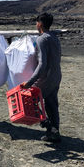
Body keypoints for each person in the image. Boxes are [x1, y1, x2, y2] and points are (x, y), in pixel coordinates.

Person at [21, 13, 62, 143]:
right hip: (56, 76)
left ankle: (48, 126)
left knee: (28, 100)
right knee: (51, 104)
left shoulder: (42, 39)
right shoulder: (54, 37)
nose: (36, 24)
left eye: (36, 22)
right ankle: (53, 133)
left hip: (46, 78)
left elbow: (42, 64)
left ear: (40, 24)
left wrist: (30, 82)